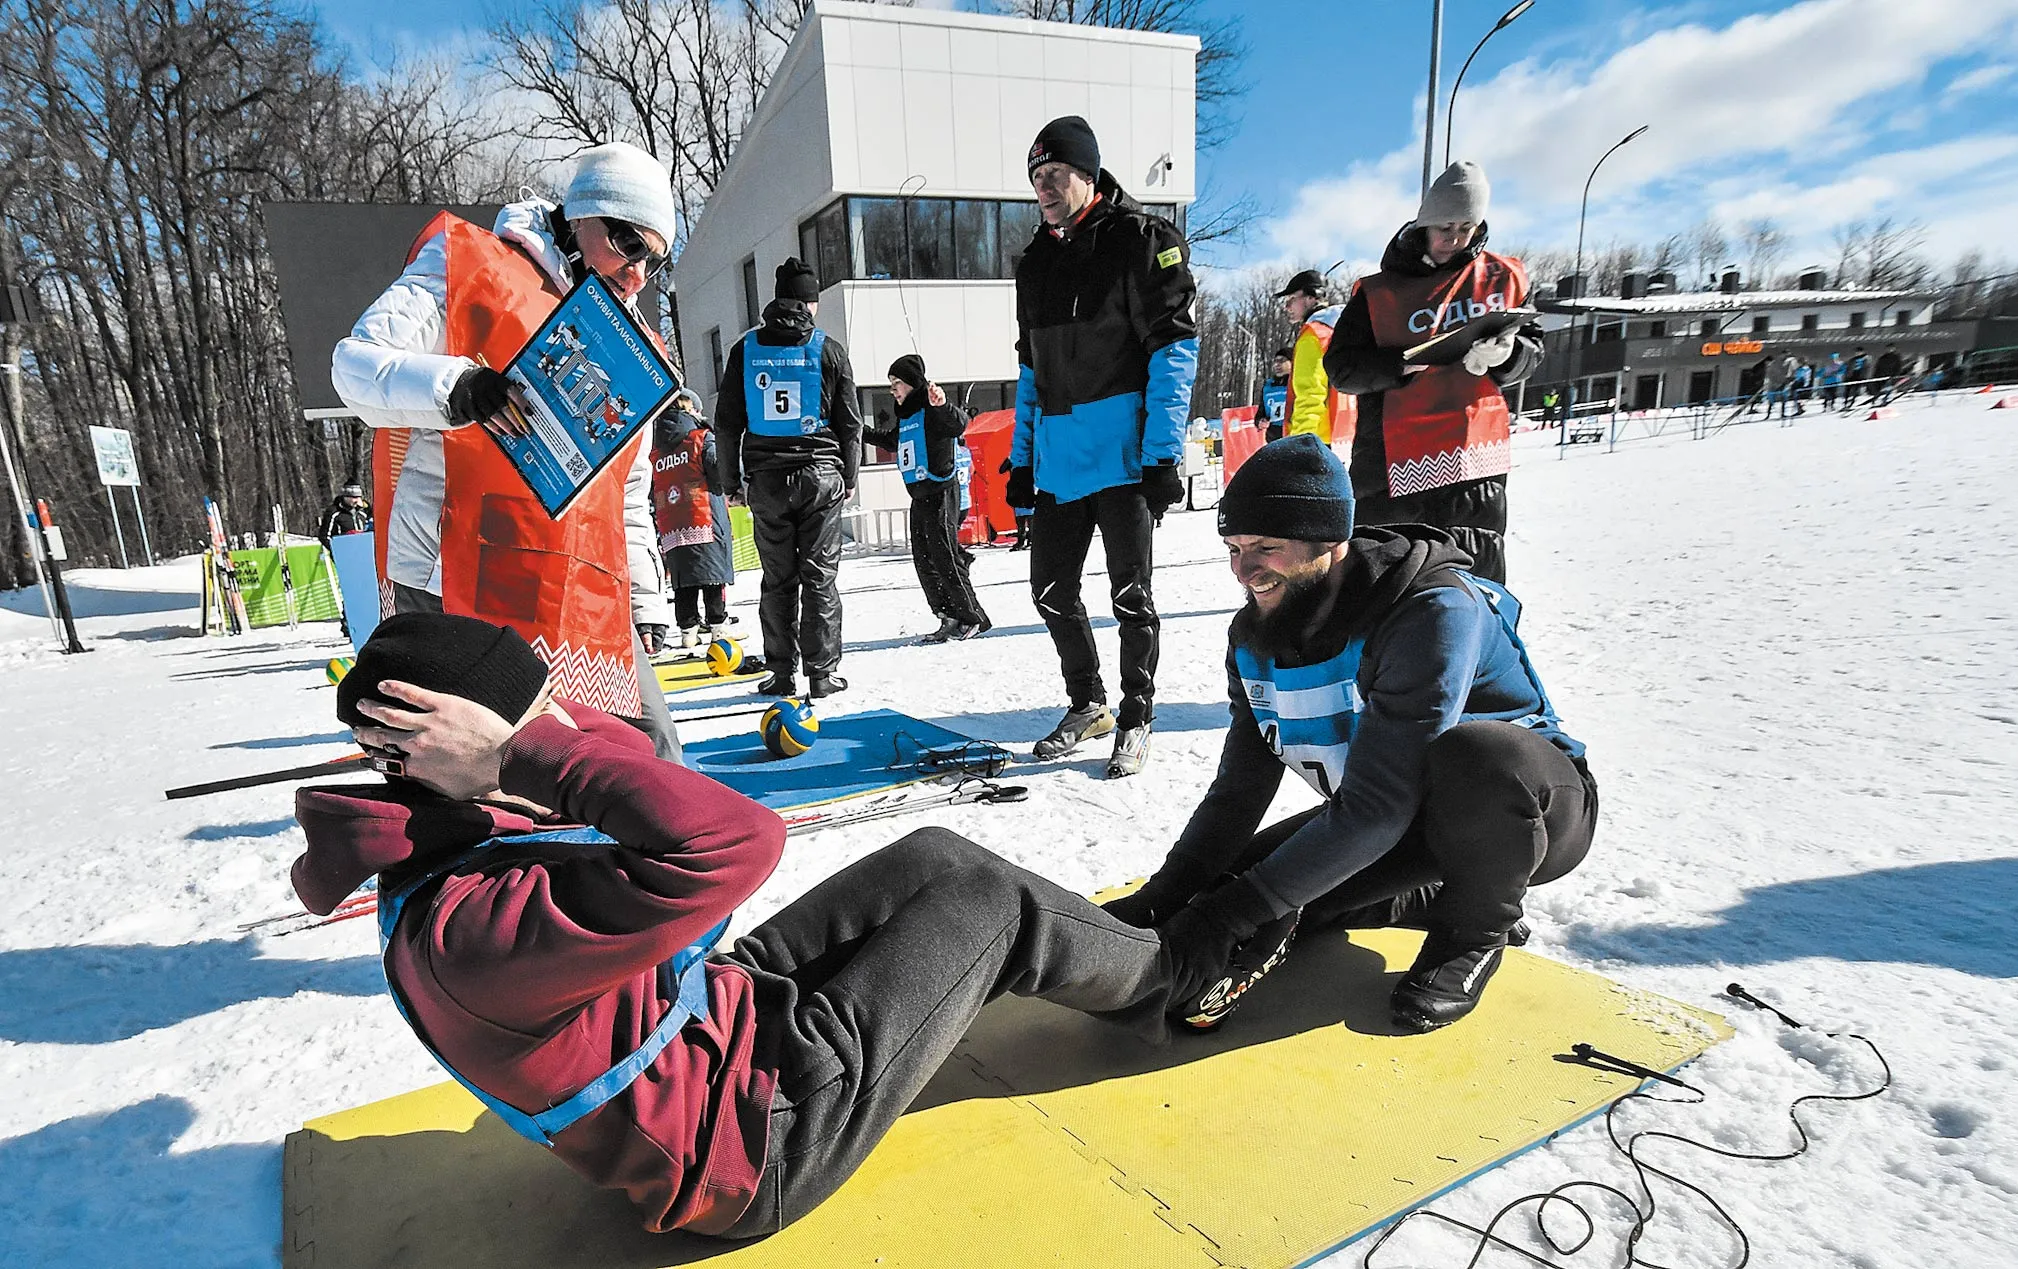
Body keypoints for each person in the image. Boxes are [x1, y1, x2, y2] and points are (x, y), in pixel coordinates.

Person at [293, 611, 1176, 1238]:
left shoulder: (459, 821)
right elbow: (737, 840)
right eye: (533, 722)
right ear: (459, 754)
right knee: (991, 905)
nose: (556, 728)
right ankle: (1173, 976)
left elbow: (634, 758)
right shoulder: (469, 931)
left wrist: (531, 730)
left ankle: (1117, 944)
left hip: (711, 1020)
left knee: (938, 855)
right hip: (754, 1142)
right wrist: (521, 749)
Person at [1100, 436, 1596, 1033]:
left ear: (1330, 542)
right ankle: (1423, 896)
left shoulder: (1431, 612)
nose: (1244, 569)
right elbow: (1239, 792)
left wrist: (1237, 911)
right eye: (1233, 547)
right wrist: (1169, 894)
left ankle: (1473, 931)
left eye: (1266, 548)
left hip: (1530, 815)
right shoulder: (1256, 633)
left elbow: (1378, 807)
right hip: (1393, 814)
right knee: (1241, 899)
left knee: (1475, 756)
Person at [331, 141, 680, 762]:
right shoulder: (471, 265)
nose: (638, 275)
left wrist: (646, 599)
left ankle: (636, 857)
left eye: (656, 261)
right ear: (582, 216)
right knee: (465, 767)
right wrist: (456, 388)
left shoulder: (631, 345)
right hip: (451, 574)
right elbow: (354, 368)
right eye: (629, 245)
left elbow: (624, 488)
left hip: (572, 586)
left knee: (644, 747)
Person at [1006, 115, 1199, 779]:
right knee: (1051, 592)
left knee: (1130, 597)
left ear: (1087, 175)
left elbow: (1174, 354)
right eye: (1036, 179)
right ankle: (1087, 702)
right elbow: (1030, 373)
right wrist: (1022, 460)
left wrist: (1162, 455)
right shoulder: (1035, 263)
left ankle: (1137, 714)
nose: (1045, 189)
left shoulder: (1142, 241)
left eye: (1055, 174)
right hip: (1060, 463)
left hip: (1123, 460)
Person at [1321, 160, 1541, 585]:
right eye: (1445, 228)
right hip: (1390, 461)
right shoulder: (1378, 292)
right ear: (1424, 224)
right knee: (1388, 587)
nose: (1455, 239)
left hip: (1474, 459)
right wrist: (1400, 363)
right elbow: (1343, 369)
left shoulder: (1503, 277)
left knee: (1475, 584)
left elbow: (1532, 351)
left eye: (1467, 228)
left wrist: (1510, 354)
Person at [713, 258, 861, 699]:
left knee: (777, 579)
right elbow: (850, 423)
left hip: (767, 481)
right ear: (811, 302)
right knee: (820, 576)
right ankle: (821, 674)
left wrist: (729, 481)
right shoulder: (828, 349)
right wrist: (848, 476)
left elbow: (726, 423)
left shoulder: (745, 349)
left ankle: (780, 673)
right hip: (820, 477)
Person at [862, 355, 991, 643]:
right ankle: (947, 614)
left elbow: (959, 425)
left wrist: (943, 404)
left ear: (912, 383)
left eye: (898, 383)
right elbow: (891, 440)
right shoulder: (906, 415)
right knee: (924, 560)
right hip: (919, 496)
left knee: (945, 557)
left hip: (941, 492)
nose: (893, 390)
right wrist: (858, 429)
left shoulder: (932, 408)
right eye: (891, 384)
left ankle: (972, 617)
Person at [652, 390, 736, 650]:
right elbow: (719, 472)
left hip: (671, 527)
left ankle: (688, 631)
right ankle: (717, 627)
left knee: (683, 581)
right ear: (692, 411)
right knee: (712, 577)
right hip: (704, 519)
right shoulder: (700, 439)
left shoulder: (655, 451)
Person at [1275, 269, 1354, 449]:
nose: (1287, 307)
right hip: (1344, 435)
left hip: (1316, 438)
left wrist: (1301, 444)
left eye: (1291, 299)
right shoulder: (1338, 331)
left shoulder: (1313, 335)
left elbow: (1310, 393)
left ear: (1311, 297)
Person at [1260, 346, 1293, 443]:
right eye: (1275, 361)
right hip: (1273, 438)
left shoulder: (1297, 383)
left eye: (1282, 361)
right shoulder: (1268, 386)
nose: (1277, 365)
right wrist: (1260, 421)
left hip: (1294, 435)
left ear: (1292, 362)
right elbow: (1261, 411)